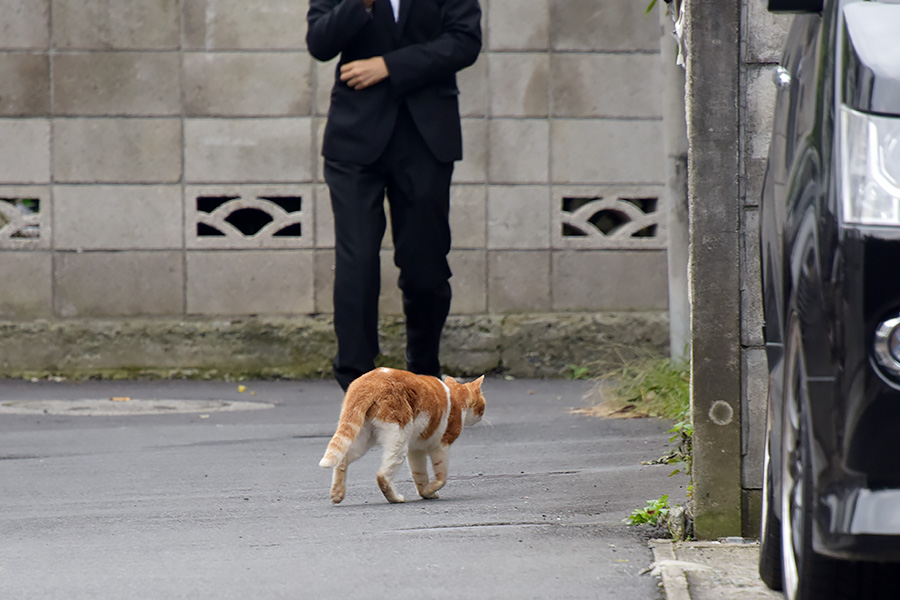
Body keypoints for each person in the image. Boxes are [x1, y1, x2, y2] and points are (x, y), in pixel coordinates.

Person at [306, 0, 482, 391]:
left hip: (425, 138)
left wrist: (390, 65)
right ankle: (357, 382)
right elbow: (319, 42)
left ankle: (423, 374)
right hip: (354, 141)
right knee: (358, 260)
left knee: (425, 266)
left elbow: (465, 41)